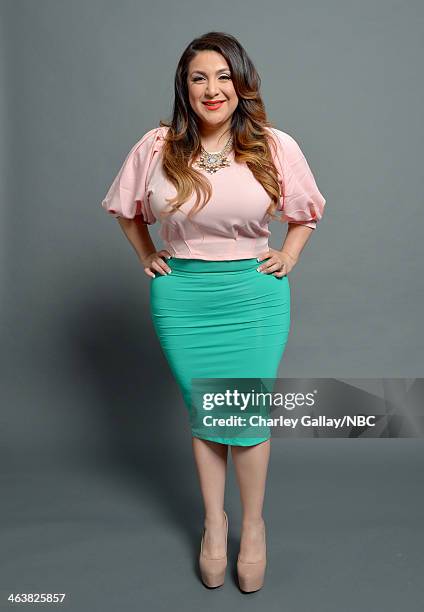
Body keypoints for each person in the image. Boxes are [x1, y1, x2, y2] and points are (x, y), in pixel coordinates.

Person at [101, 31, 326, 593]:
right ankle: (214, 525)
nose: (212, 88)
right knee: (206, 410)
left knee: (243, 414)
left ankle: (252, 527)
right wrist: (149, 254)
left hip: (253, 294)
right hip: (183, 297)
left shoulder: (274, 144)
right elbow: (126, 210)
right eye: (199, 77)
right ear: (185, 86)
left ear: (242, 83)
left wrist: (290, 254)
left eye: (224, 76)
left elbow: (306, 213)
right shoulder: (156, 146)